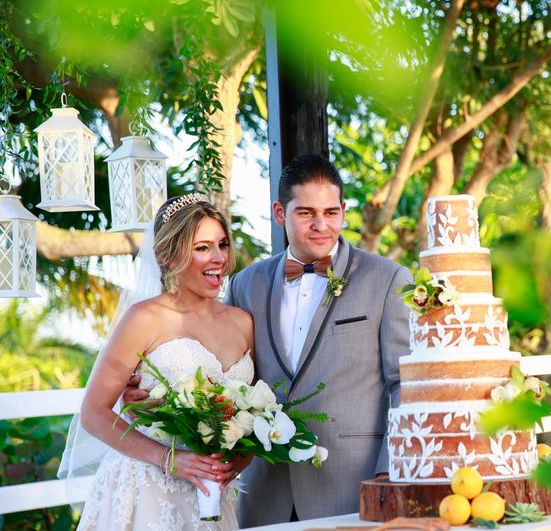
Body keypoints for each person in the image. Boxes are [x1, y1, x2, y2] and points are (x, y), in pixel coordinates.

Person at [225, 153, 411, 525]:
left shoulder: (387, 278)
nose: (321, 225)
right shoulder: (245, 284)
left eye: (331, 212)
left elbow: (404, 382)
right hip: (266, 488)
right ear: (280, 213)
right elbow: (230, 374)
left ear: (343, 210)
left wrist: (390, 471)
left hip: (352, 484)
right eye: (306, 213)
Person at [69, 194, 254, 530]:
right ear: (168, 256)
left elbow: (255, 415)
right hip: (149, 492)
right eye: (202, 248)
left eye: (222, 244)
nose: (219, 258)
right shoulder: (144, 319)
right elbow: (93, 414)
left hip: (214, 494)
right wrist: (170, 460)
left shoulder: (243, 322)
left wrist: (235, 463)